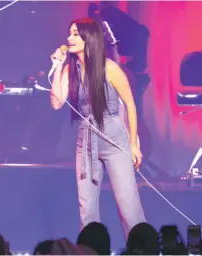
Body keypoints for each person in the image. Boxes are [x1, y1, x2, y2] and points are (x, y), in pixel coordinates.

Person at [50, 17, 146, 237]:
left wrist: (133, 143)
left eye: (75, 34)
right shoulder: (70, 71)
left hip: (115, 139)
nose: (69, 38)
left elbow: (130, 104)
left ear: (89, 37)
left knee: (128, 206)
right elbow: (56, 103)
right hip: (86, 142)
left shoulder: (109, 68)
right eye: (69, 33)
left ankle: (141, 249)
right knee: (87, 209)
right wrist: (57, 67)